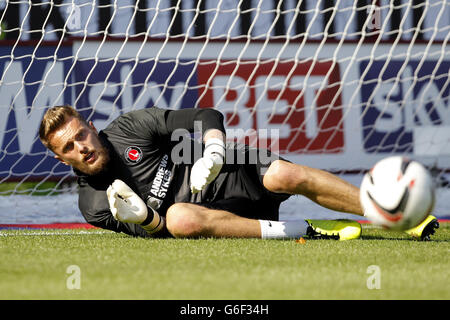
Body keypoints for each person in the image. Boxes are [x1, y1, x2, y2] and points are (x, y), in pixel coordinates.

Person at [39, 105, 439, 240]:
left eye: (81, 136)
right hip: (214, 217)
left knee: (284, 175)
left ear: (90, 126)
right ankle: (309, 232)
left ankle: (392, 214)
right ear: (62, 159)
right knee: (179, 218)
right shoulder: (92, 205)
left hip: (230, 172)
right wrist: (145, 219)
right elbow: (162, 232)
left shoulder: (131, 127)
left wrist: (212, 147)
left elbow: (203, 115)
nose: (81, 148)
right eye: (69, 148)